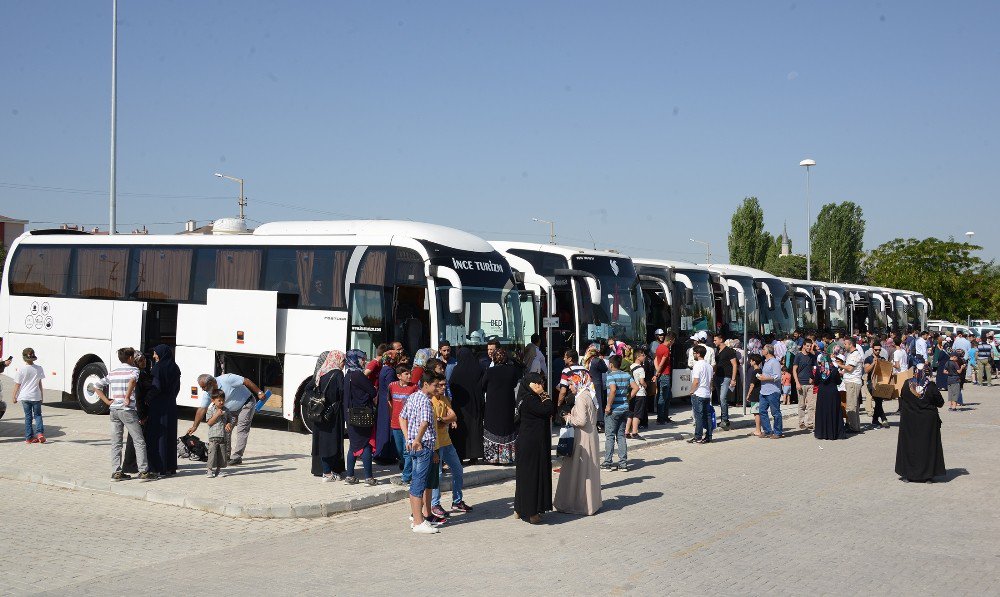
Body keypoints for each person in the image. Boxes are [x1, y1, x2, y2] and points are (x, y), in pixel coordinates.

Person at [95, 347, 155, 480]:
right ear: (130, 358)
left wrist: (107, 401)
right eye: (133, 357)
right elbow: (133, 381)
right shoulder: (134, 370)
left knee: (116, 442)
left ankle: (116, 472)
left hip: (114, 410)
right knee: (139, 440)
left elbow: (96, 386)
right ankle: (144, 471)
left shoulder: (113, 372)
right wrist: (127, 396)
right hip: (127, 410)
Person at [189, 372, 266, 466]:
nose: (202, 389)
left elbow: (246, 381)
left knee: (242, 429)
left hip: (246, 404)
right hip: (231, 410)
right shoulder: (208, 393)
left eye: (204, 387)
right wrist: (194, 426)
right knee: (225, 430)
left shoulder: (227, 379)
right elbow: (202, 409)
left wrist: (259, 392)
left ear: (211, 383)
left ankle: (237, 457)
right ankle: (226, 455)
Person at [553, 369, 602, 516]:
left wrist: (567, 417)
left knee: (578, 471)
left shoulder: (581, 397)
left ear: (578, 382)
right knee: (588, 470)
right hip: (591, 435)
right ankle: (590, 503)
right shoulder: (589, 394)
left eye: (572, 384)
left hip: (582, 437)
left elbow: (581, 421)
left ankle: (579, 504)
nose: (570, 387)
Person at [399, 372, 440, 534]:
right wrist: (416, 439)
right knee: (418, 483)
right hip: (423, 447)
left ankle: (419, 518)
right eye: (435, 385)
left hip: (417, 446)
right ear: (425, 385)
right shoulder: (424, 401)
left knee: (418, 482)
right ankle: (417, 522)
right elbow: (424, 423)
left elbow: (402, 417)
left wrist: (409, 438)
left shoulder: (413, 397)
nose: (437, 388)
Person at [513, 372, 554, 524]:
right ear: (528, 384)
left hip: (528, 443)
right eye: (536, 383)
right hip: (532, 444)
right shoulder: (530, 399)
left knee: (524, 476)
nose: (539, 385)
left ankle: (518, 509)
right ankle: (532, 513)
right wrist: (544, 395)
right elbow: (548, 410)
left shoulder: (525, 398)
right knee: (531, 477)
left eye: (540, 383)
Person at [430, 374, 473, 519]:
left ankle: (457, 501)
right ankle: (435, 504)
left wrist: (443, 419)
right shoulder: (430, 401)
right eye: (440, 385)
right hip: (435, 443)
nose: (443, 387)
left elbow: (454, 416)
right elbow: (434, 422)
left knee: (458, 470)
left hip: (447, 441)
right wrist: (444, 420)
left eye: (444, 385)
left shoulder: (444, 399)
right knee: (438, 475)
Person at [895, 373, 946, 483]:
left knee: (910, 446)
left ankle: (908, 473)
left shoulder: (906, 384)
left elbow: (903, 397)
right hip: (927, 421)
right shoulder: (930, 386)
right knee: (927, 447)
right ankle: (927, 475)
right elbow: (940, 402)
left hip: (909, 420)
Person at [310, 350, 346, 482]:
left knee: (322, 442)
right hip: (332, 414)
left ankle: (326, 471)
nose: (343, 364)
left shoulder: (321, 372)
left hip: (320, 412)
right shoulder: (338, 374)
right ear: (337, 360)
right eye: (342, 361)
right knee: (331, 443)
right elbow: (342, 393)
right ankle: (329, 473)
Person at [344, 349, 378, 485]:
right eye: (362, 358)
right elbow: (372, 391)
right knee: (366, 445)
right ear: (356, 359)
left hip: (350, 415)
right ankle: (369, 477)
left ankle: (350, 475)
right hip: (362, 415)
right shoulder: (358, 375)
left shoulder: (348, 374)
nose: (364, 361)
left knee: (354, 445)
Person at [481, 348, 521, 464]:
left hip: (493, 404)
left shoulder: (490, 371)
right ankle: (506, 457)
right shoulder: (512, 370)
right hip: (507, 403)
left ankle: (492, 457)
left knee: (493, 428)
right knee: (506, 428)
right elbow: (514, 384)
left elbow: (483, 385)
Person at [145, 345, 180, 475]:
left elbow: (156, 387)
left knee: (158, 435)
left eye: (155, 353)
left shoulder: (158, 368)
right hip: (171, 404)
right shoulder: (175, 368)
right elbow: (177, 388)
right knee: (170, 435)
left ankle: (159, 467)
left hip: (158, 405)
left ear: (161, 354)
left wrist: (147, 398)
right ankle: (170, 466)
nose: (154, 356)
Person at [449, 347, 485, 464]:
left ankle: (461, 455)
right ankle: (474, 455)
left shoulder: (457, 370)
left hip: (461, 406)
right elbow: (483, 384)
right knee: (474, 430)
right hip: (475, 404)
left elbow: (452, 386)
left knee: (461, 431)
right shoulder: (478, 368)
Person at [122, 353, 153, 475]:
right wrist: (141, 415)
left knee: (136, 438)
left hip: (138, 410)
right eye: (141, 360)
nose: (144, 361)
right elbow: (138, 396)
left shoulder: (143, 373)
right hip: (137, 411)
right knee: (135, 439)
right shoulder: (137, 375)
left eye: (144, 359)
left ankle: (133, 465)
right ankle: (130, 466)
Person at [602, 355, 634, 470]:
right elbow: (635, 387)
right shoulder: (627, 375)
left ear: (610, 365)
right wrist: (628, 398)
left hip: (613, 410)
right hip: (624, 408)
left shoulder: (610, 376)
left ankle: (607, 462)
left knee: (610, 436)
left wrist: (608, 406)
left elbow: (613, 390)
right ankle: (623, 463)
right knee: (621, 436)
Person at [12, 347, 45, 444]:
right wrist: (42, 396)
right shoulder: (39, 368)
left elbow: (17, 385)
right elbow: (40, 384)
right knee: (38, 415)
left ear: (24, 358)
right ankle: (40, 434)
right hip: (36, 396)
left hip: (25, 397)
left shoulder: (21, 369)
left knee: (28, 417)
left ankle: (29, 438)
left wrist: (14, 396)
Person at [373, 349, 399, 464]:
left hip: (383, 401)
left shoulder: (384, 369)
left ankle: (382, 453)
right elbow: (391, 387)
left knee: (383, 427)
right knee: (387, 427)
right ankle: (386, 455)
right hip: (387, 402)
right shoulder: (390, 371)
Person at [813, 353, 846, 440]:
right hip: (832, 393)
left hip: (822, 393)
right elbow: (839, 382)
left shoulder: (819, 370)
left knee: (823, 412)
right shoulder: (834, 370)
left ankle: (822, 433)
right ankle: (834, 433)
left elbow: (816, 382)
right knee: (833, 411)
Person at [754, 345, 783, 439]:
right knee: (762, 411)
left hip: (773, 391)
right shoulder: (766, 362)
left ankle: (778, 432)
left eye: (763, 349)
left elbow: (777, 376)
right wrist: (761, 376)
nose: (762, 351)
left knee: (775, 412)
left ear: (768, 351)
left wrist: (765, 378)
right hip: (764, 391)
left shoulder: (774, 362)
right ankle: (767, 431)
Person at [687, 344, 714, 444]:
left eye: (694, 353)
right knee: (707, 416)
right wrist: (710, 390)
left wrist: (691, 391)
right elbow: (711, 381)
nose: (693, 355)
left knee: (698, 416)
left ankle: (698, 436)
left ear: (698, 354)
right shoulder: (709, 366)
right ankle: (708, 436)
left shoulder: (697, 365)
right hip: (707, 393)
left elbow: (696, 381)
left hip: (698, 393)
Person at [205, 389, 233, 478]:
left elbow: (230, 420)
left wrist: (229, 424)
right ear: (213, 400)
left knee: (222, 455)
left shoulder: (226, 410)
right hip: (213, 437)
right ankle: (209, 470)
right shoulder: (210, 410)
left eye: (223, 400)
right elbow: (209, 422)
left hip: (223, 436)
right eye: (219, 400)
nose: (221, 402)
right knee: (212, 454)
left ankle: (218, 470)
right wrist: (216, 415)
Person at [712, 333, 737, 431]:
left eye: (715, 340)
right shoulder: (717, 351)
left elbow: (734, 365)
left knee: (723, 398)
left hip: (726, 377)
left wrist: (733, 379)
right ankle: (723, 419)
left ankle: (725, 420)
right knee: (720, 399)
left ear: (721, 340)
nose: (714, 342)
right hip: (718, 376)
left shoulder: (729, 351)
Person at [863, 341, 890, 429]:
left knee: (879, 401)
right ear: (872, 349)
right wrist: (874, 363)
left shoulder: (882, 358)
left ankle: (875, 420)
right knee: (878, 400)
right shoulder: (868, 359)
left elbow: (886, 371)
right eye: (876, 350)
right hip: (871, 383)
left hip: (880, 382)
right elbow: (866, 370)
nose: (877, 351)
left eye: (879, 350)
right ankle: (883, 418)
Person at [841, 338, 865, 433]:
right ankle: (856, 426)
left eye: (845, 344)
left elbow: (850, 368)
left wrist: (839, 365)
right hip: (850, 381)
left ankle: (854, 427)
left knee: (851, 407)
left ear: (851, 344)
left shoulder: (855, 354)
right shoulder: (850, 354)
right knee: (853, 406)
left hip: (853, 382)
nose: (844, 346)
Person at [583, 345, 608, 430]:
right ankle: (600, 422)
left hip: (589, 384)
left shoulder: (586, 360)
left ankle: (593, 420)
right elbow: (605, 369)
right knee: (599, 402)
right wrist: (601, 359)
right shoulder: (597, 361)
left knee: (592, 402)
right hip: (597, 383)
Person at [794, 338, 817, 430]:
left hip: (810, 384)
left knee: (811, 405)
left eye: (810, 346)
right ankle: (801, 422)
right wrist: (797, 382)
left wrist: (813, 377)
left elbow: (814, 369)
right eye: (807, 346)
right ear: (803, 346)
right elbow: (794, 370)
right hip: (801, 383)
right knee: (801, 404)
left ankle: (810, 422)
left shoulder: (812, 356)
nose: (809, 347)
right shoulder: (798, 356)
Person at [625, 348, 648, 440]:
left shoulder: (630, 366)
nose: (645, 356)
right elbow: (642, 381)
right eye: (643, 355)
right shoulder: (641, 369)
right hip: (640, 393)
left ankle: (626, 431)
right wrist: (646, 385)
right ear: (638, 357)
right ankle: (634, 432)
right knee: (637, 413)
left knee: (630, 412)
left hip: (632, 393)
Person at [652, 331, 675, 424]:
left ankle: (664, 417)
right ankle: (661, 418)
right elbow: (662, 363)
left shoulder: (659, 347)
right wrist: (658, 373)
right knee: (663, 397)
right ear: (670, 341)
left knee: (665, 396)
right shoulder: (666, 349)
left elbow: (655, 360)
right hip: (665, 375)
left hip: (661, 374)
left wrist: (657, 372)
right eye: (673, 342)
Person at [746, 354, 764, 437]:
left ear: (754, 361)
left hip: (755, 394)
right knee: (758, 412)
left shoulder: (755, 372)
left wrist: (748, 394)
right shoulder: (760, 370)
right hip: (760, 392)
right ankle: (759, 429)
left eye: (751, 360)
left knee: (756, 412)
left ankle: (758, 430)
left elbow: (752, 385)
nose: (750, 362)